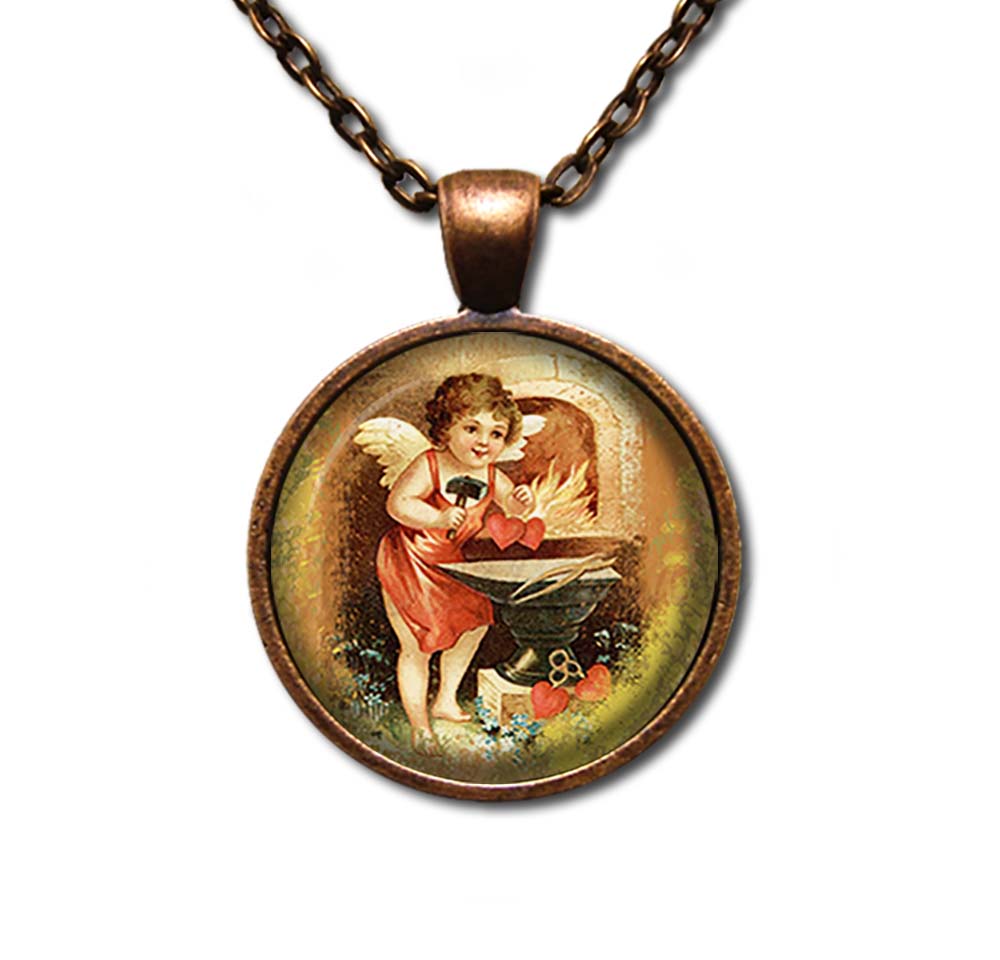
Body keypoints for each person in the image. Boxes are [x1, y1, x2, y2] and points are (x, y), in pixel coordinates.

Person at [376, 374, 536, 754]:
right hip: (410, 561)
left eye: (496, 434)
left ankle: (445, 699)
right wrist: (436, 517)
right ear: (446, 428)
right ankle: (420, 727)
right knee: (416, 646)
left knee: (474, 625)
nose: (484, 441)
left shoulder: (491, 475)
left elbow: (512, 509)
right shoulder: (430, 464)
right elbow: (398, 504)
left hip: (451, 565)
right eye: (471, 428)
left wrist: (521, 503)